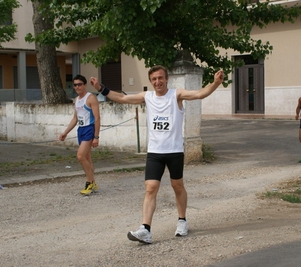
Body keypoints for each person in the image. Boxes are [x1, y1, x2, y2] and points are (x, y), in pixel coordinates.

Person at [90, 65, 224, 244]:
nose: (157, 82)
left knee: (177, 186)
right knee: (150, 188)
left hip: (174, 151)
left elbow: (199, 94)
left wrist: (215, 83)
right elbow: (122, 97)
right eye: (154, 79)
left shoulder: (176, 95)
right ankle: (145, 229)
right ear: (151, 81)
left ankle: (182, 220)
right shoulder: (148, 97)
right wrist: (100, 88)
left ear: (166, 79)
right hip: (155, 152)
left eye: (160, 78)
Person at [59, 74, 101, 195]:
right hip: (81, 130)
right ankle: (93, 182)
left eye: (80, 84)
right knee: (87, 158)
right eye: (75, 85)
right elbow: (75, 119)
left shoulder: (91, 98)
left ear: (85, 85)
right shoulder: (76, 100)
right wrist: (65, 132)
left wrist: (96, 137)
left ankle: (89, 182)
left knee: (80, 156)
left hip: (89, 129)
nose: (77, 87)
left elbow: (97, 118)